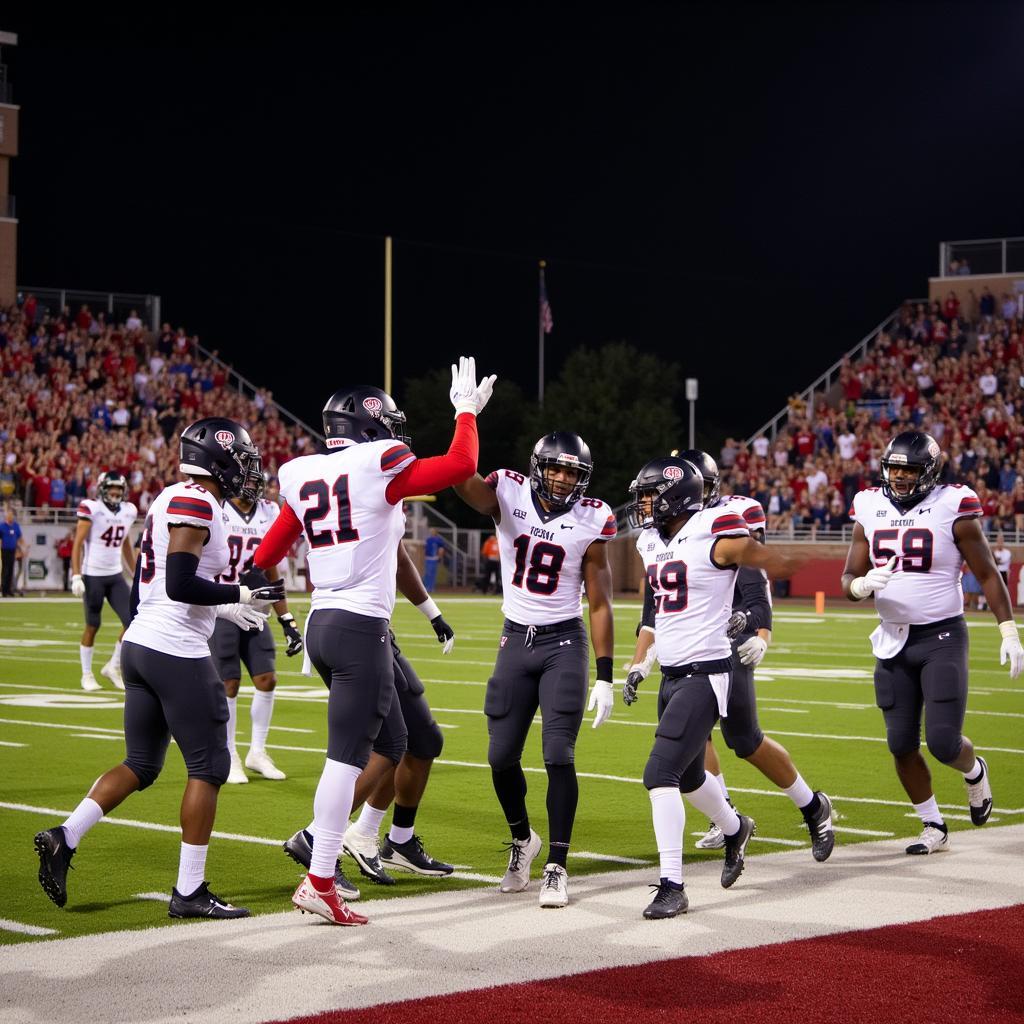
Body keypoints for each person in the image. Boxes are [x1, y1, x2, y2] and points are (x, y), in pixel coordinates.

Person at [252, 356, 495, 926]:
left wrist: (246, 591)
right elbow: (462, 464)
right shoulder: (376, 463)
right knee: (346, 759)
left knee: (396, 740)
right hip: (359, 627)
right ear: (369, 424)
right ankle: (318, 874)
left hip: (323, 624)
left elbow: (267, 555)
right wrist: (464, 413)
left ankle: (347, 848)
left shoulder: (303, 472)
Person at [34, 417, 283, 918]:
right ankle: (189, 891)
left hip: (144, 644)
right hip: (175, 649)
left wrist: (227, 607)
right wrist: (239, 594)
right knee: (210, 767)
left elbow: (169, 585)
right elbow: (180, 584)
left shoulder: (173, 496)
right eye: (239, 458)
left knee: (142, 764)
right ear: (217, 459)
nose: (246, 468)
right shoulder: (196, 501)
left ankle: (65, 835)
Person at [622, 456, 807, 920]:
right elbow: (659, 613)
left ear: (675, 497)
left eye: (650, 496)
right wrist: (641, 662)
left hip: (707, 671)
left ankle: (672, 885)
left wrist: (775, 570)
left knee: (658, 774)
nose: (643, 505)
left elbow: (752, 560)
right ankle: (734, 826)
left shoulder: (714, 529)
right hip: (673, 672)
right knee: (686, 776)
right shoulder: (650, 541)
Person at [453, 431, 616, 909]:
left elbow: (601, 602)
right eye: (557, 468)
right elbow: (461, 481)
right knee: (500, 756)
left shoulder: (592, 518)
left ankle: (557, 867)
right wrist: (465, 421)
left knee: (558, 754)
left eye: (573, 472)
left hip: (563, 642)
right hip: (514, 638)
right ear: (538, 466)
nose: (564, 479)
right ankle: (523, 841)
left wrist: (605, 674)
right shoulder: (508, 489)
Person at [842, 431, 1023, 855]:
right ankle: (933, 824)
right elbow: (848, 579)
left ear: (929, 471)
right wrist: (861, 585)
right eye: (894, 468)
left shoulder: (953, 504)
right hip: (891, 641)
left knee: (943, 742)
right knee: (900, 744)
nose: (900, 477)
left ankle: (974, 770)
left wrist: (1009, 630)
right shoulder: (869, 505)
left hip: (941, 636)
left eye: (909, 469)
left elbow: (986, 573)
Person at [672, 451, 835, 863]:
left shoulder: (728, 520)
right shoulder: (669, 529)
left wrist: (759, 632)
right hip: (690, 648)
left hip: (727, 648)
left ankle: (812, 806)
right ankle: (724, 817)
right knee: (694, 738)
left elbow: (756, 588)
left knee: (744, 741)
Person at [284, 541, 459, 897]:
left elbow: (396, 554)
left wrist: (431, 611)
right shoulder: (363, 492)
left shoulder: (374, 500)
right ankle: (318, 838)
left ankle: (392, 840)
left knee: (424, 740)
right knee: (387, 744)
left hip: (372, 631)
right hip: (354, 631)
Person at [211, 473, 303, 784]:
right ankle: (229, 753)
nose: (252, 489)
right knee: (229, 684)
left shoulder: (269, 512)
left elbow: (272, 565)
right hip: (223, 608)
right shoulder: (217, 508)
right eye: (246, 482)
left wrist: (287, 619)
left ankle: (257, 751)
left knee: (267, 678)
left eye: (255, 483)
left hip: (255, 609)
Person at [70, 472, 138, 690]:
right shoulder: (92, 508)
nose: (116, 493)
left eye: (119, 489)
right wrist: (76, 574)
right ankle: (86, 674)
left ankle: (113, 665)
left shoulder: (129, 511)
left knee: (133, 621)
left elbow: (126, 545)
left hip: (115, 574)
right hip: (93, 575)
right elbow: (77, 544)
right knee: (93, 624)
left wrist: (136, 574)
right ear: (102, 489)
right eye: (112, 489)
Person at [1, 505, 22, 597]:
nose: (11, 516)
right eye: (9, 514)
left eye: (12, 515)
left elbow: (19, 538)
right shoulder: (2, 526)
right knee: (5, 569)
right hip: (4, 550)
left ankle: (9, 589)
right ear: (6, 516)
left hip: (13, 550)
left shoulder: (16, 526)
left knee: (11, 569)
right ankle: (4, 590)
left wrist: (21, 548)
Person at [422, 528, 447, 593]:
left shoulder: (438, 540)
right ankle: (426, 587)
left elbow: (441, 549)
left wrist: (440, 557)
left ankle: (431, 588)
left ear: (435, 532)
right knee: (427, 574)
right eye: (431, 531)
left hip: (434, 558)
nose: (431, 532)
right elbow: (425, 549)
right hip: (428, 558)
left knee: (432, 574)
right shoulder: (428, 540)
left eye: (433, 531)